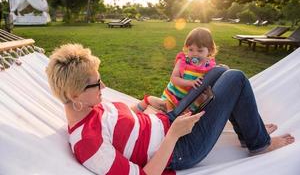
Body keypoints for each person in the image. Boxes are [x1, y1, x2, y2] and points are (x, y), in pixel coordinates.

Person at [46, 43, 294, 175]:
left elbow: (119, 121)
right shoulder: (89, 144)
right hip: (180, 149)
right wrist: (174, 133)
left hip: (168, 120)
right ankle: (259, 142)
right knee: (236, 78)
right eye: (97, 83)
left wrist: (145, 103)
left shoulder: (89, 106)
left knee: (220, 71)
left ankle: (250, 131)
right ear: (74, 94)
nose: (104, 86)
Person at [133, 27, 220, 113]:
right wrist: (190, 83)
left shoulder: (210, 67)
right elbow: (174, 79)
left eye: (200, 51)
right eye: (191, 50)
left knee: (178, 119)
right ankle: (135, 110)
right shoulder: (183, 62)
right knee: (158, 107)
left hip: (188, 106)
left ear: (210, 50)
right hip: (171, 99)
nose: (194, 54)